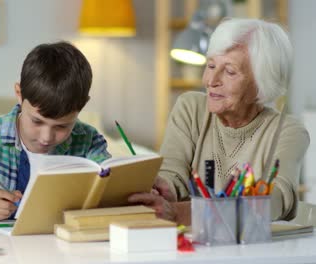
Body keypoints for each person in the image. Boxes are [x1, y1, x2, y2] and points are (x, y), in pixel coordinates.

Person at [129, 18, 309, 224]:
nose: (211, 81)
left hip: (251, 251)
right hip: (191, 247)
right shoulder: (191, 108)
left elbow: (275, 200)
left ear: (262, 85)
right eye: (211, 65)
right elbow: (172, 172)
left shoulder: (288, 131)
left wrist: (179, 213)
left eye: (230, 72)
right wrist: (165, 189)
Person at [0, 41, 111, 223]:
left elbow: (111, 195)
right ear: (19, 93)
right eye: (36, 121)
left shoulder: (89, 141)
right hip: (3, 250)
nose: (46, 137)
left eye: (61, 126)